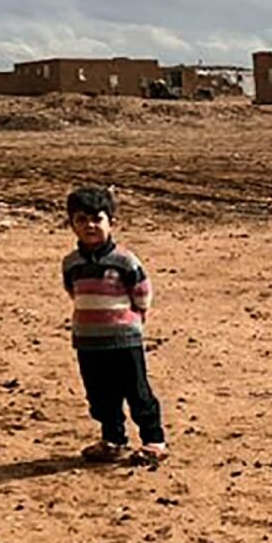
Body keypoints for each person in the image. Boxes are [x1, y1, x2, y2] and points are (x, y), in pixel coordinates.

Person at [62, 186, 167, 464]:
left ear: (111, 222)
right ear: (71, 223)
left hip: (124, 339)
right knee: (99, 394)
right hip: (88, 341)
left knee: (137, 391)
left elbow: (142, 292)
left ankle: (153, 440)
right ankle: (113, 440)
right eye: (81, 220)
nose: (90, 226)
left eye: (97, 219)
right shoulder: (71, 263)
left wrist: (134, 319)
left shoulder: (124, 260)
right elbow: (74, 292)